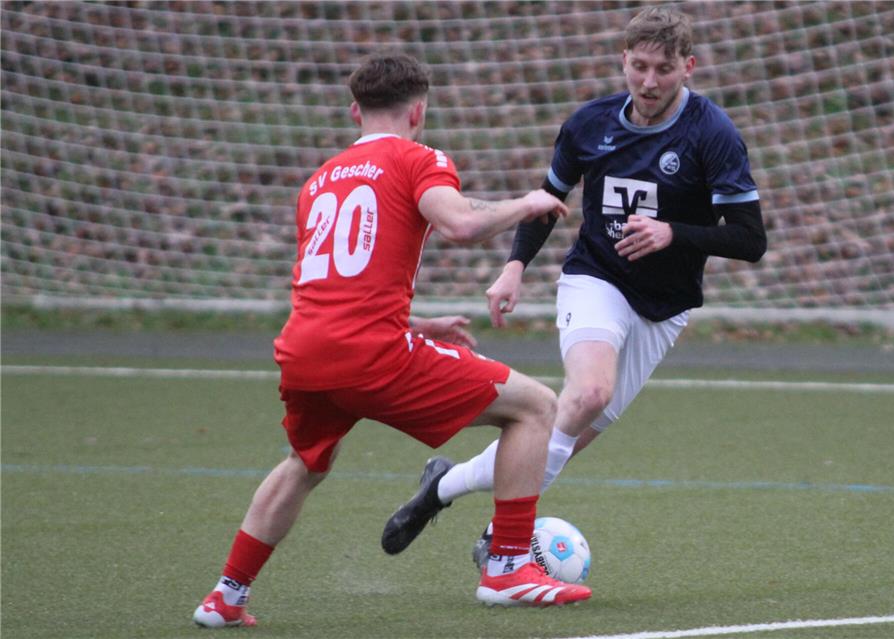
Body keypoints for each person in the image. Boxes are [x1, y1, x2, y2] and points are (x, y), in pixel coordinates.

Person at [192, 53, 592, 628]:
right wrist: (525, 204)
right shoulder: (417, 158)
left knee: (305, 463)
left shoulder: (319, 180)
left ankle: (226, 595)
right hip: (370, 355)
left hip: (305, 350)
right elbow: (459, 223)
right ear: (419, 111)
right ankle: (507, 568)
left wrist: (416, 325)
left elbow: (337, 284)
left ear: (356, 110)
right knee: (536, 407)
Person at [381, 6, 767, 563]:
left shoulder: (713, 134)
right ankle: (506, 542)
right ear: (623, 61)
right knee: (586, 394)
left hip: (665, 307)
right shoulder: (590, 123)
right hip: (597, 278)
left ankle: (440, 488)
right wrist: (515, 266)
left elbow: (750, 240)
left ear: (689, 67)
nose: (649, 81)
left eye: (663, 68)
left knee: (568, 427)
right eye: (639, 66)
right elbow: (547, 202)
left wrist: (673, 234)